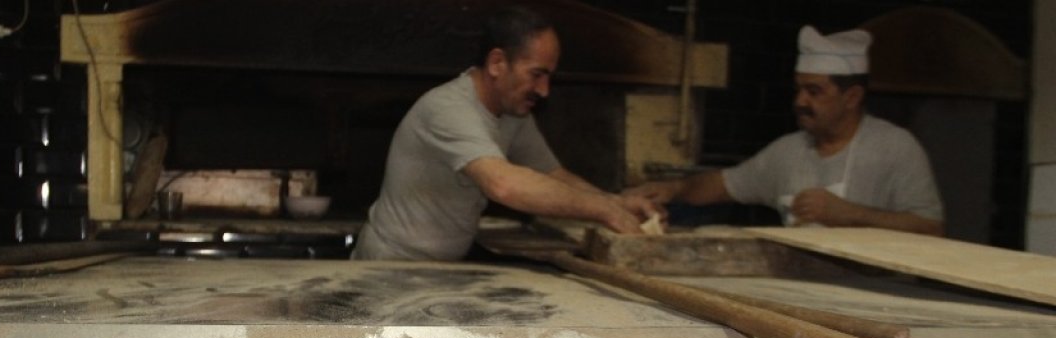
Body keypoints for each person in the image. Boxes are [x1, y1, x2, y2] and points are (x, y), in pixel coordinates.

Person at [352, 5, 665, 261]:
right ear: (497, 63)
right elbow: (503, 185)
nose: (544, 90)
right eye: (536, 75)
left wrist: (617, 203)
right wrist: (602, 210)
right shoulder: (447, 108)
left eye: (549, 77)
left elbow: (553, 173)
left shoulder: (513, 113)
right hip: (389, 265)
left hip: (440, 266)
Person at [632, 26, 944, 236]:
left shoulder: (894, 147)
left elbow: (931, 227)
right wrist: (672, 190)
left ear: (852, 97)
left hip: (879, 298)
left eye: (814, 91)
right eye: (798, 89)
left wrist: (851, 214)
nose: (800, 101)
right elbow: (722, 184)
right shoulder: (790, 151)